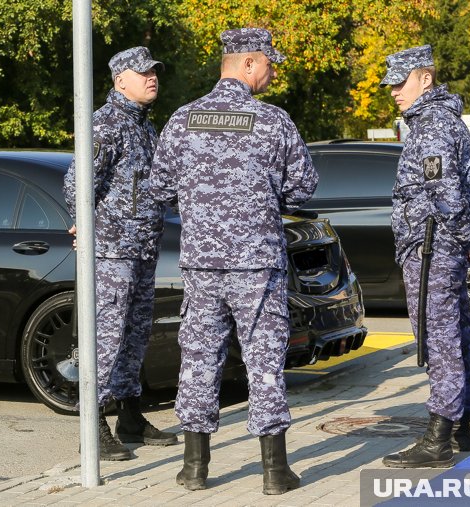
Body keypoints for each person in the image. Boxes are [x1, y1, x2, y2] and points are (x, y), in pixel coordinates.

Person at [149, 28, 318, 493]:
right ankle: (274, 472)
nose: (272, 72)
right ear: (247, 64)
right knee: (264, 362)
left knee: (199, 360)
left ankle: (194, 468)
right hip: (257, 265)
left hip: (202, 265)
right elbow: (303, 188)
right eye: (268, 63)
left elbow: (159, 187)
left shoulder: (182, 120)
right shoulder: (273, 121)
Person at [379, 44, 470, 469]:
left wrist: (467, 238)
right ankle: (460, 425)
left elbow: (446, 193)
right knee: (458, 330)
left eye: (400, 81)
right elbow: (466, 189)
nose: (393, 90)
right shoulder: (447, 121)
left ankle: (438, 437)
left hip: (431, 247)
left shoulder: (431, 127)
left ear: (425, 79)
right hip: (441, 244)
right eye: (390, 82)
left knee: (438, 336)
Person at [63, 46, 178, 461]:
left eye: (155, 71)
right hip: (112, 250)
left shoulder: (145, 126)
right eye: (143, 72)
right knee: (106, 338)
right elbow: (77, 182)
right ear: (119, 81)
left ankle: (130, 415)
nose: (153, 78)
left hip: (143, 248)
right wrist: (84, 226)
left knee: (134, 335)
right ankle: (92, 427)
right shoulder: (106, 124)